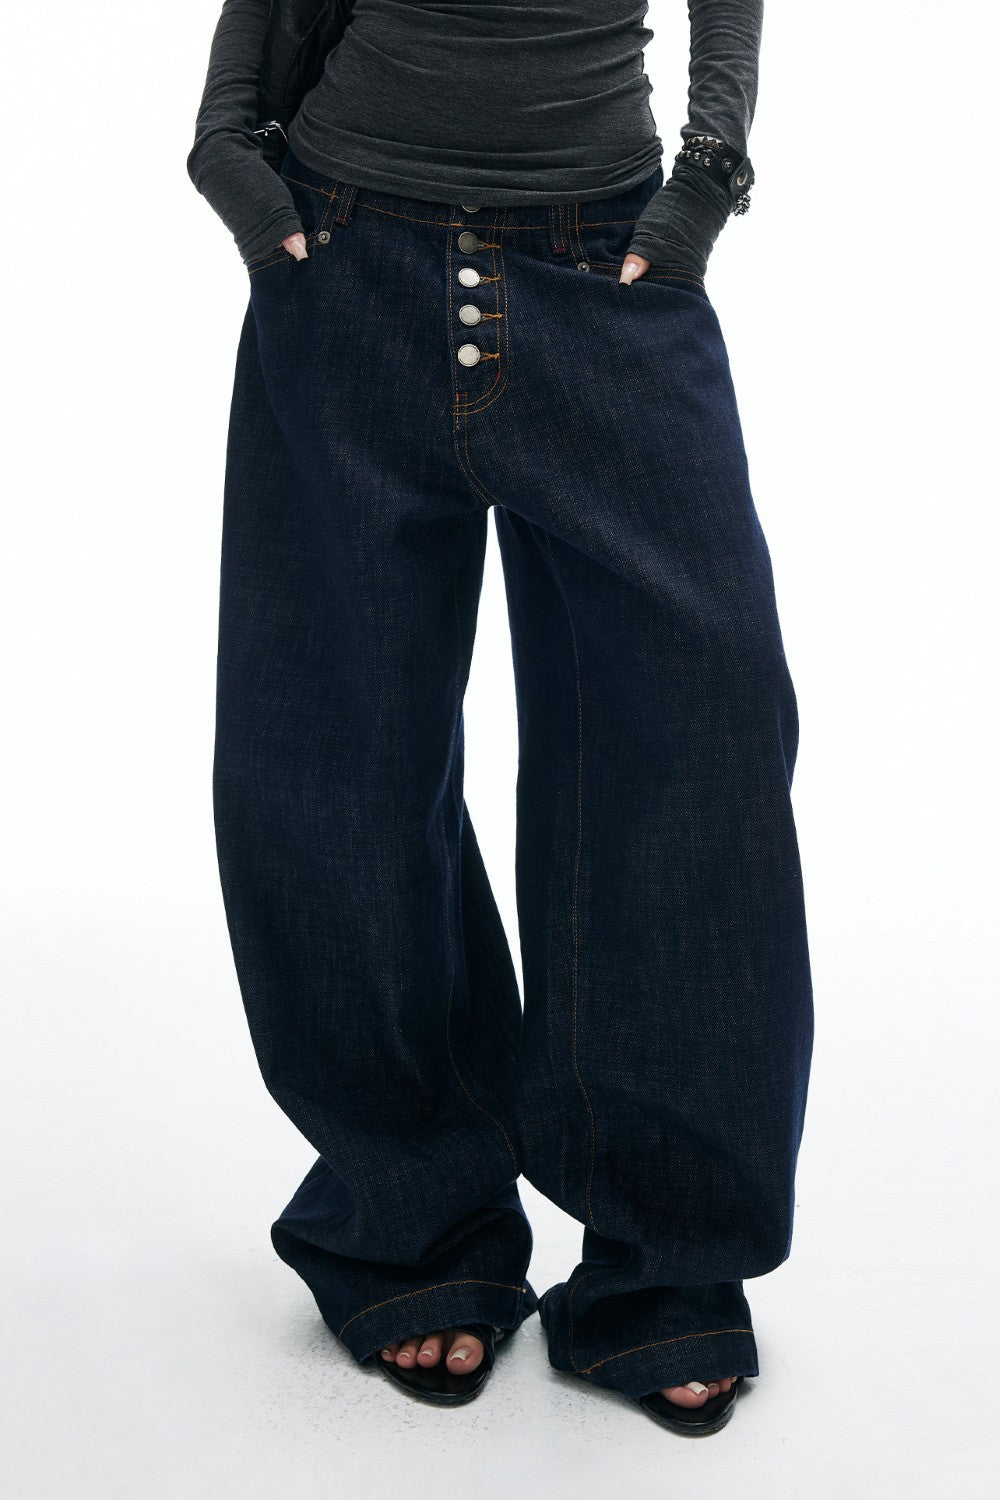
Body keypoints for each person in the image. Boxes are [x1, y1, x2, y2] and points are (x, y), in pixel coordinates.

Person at [187, 0, 813, 1437]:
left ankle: (668, 1255)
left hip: (608, 260)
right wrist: (228, 150)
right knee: (336, 760)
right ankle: (411, 1221)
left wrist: (710, 169)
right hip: (344, 251)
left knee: (694, 756)